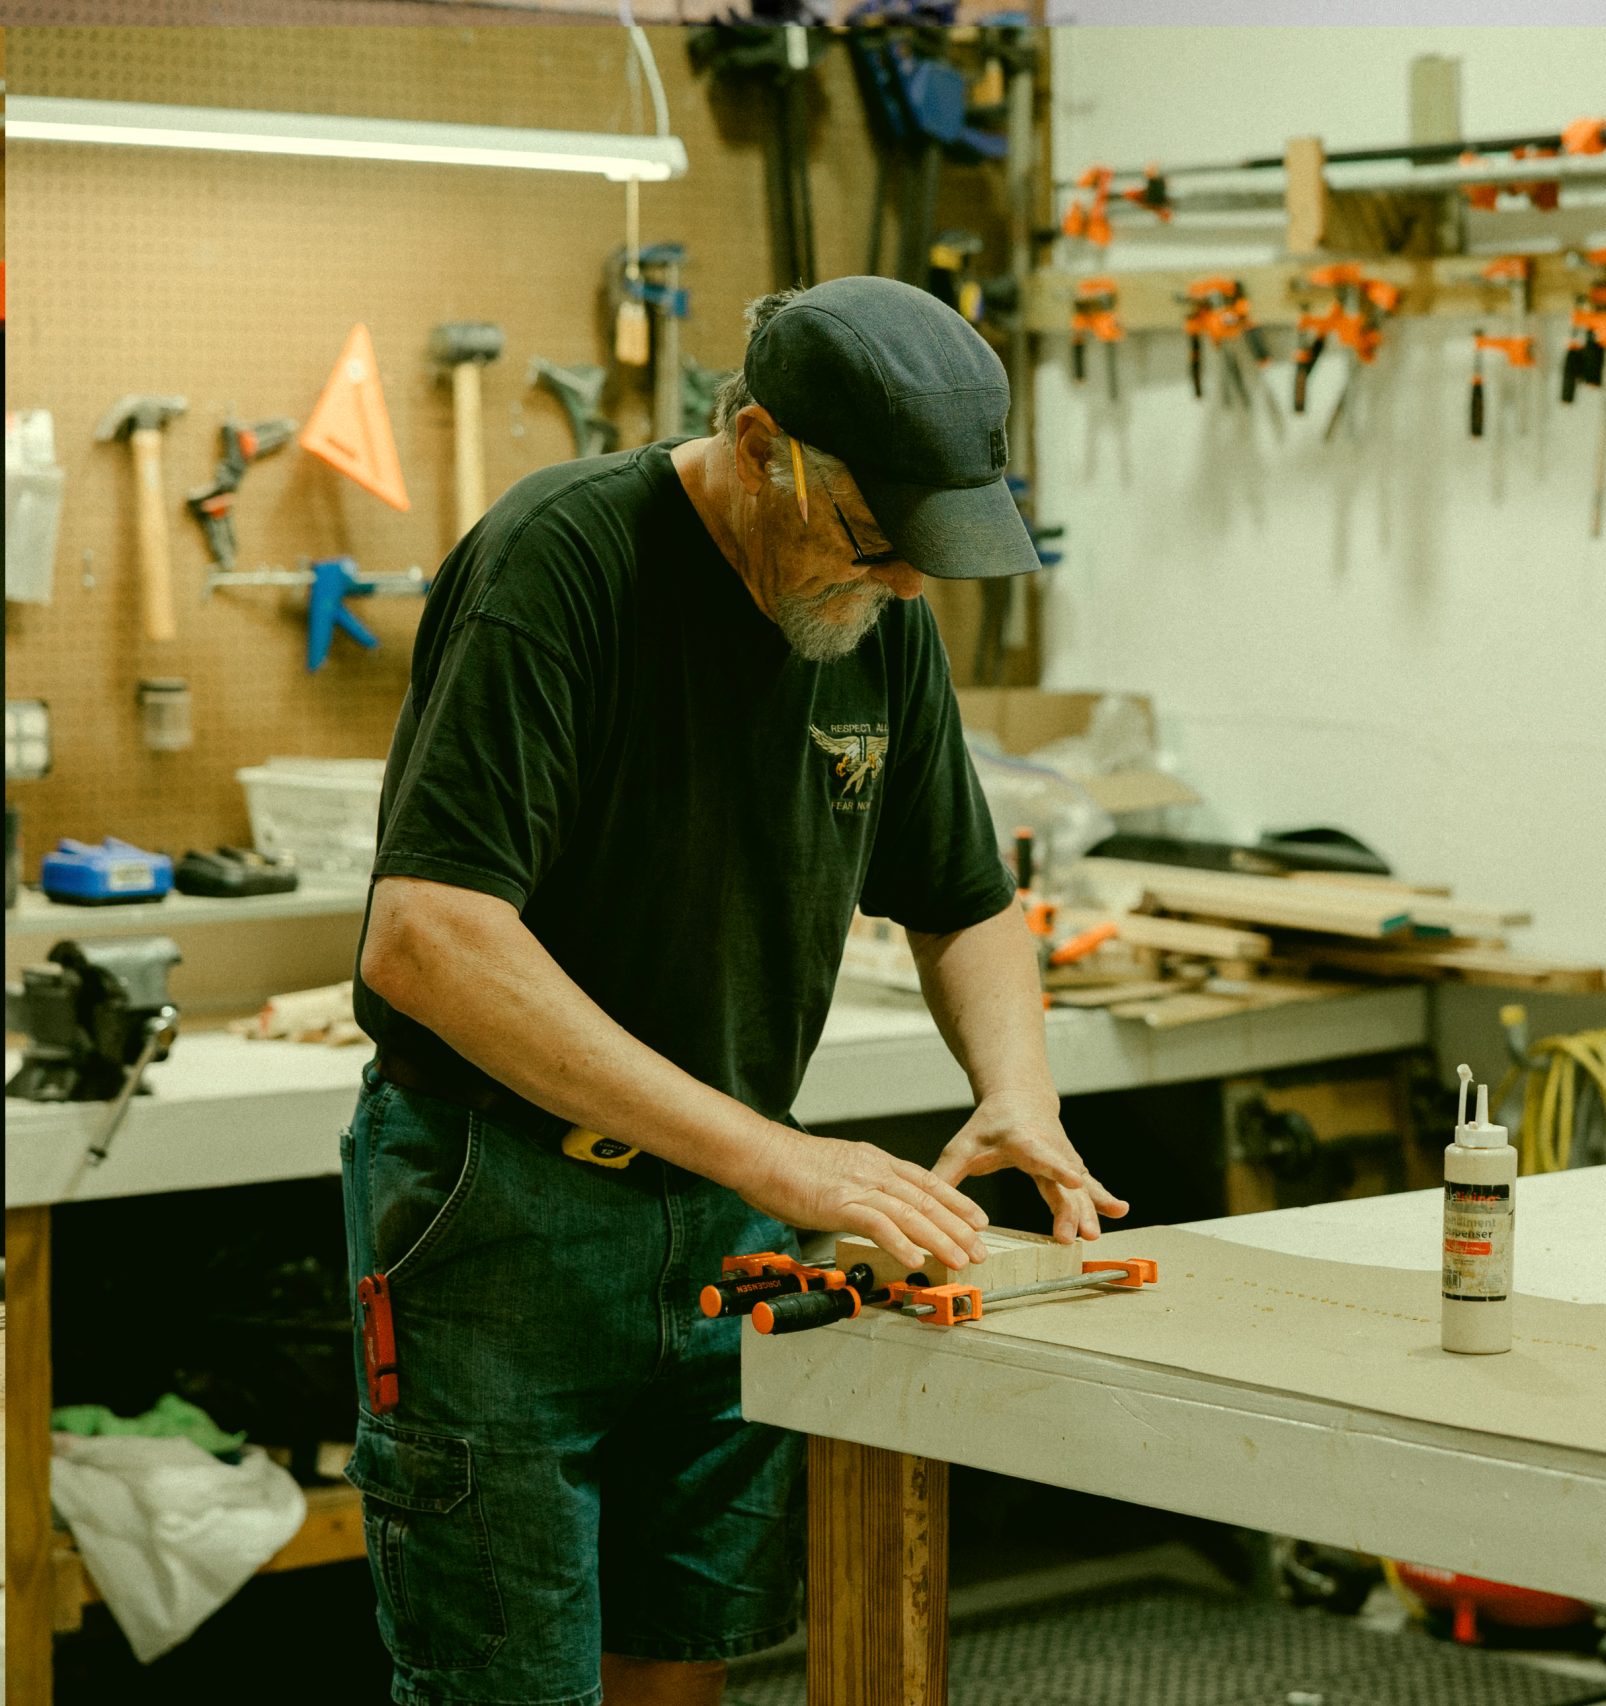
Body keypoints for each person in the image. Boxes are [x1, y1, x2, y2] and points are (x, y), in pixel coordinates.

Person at [343, 276, 1123, 1706]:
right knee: (504, 1683)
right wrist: (789, 1158)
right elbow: (430, 936)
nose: (900, 585)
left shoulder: (874, 620)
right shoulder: (562, 562)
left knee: (684, 1652)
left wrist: (1018, 1094)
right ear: (762, 442)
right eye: (877, 538)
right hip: (502, 1207)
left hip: (728, 1216)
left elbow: (966, 901)